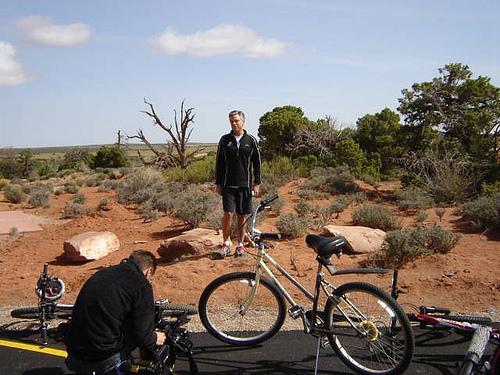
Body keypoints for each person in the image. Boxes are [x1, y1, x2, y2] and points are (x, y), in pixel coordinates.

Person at [65, 250, 166, 374]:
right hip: (101, 358)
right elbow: (143, 338)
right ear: (148, 271)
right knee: (140, 347)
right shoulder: (141, 285)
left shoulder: (101, 274)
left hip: (74, 353)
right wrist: (155, 337)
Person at [215, 110, 262, 257]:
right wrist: (218, 183)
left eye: (236, 121)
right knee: (228, 214)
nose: (234, 123)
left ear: (243, 121)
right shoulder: (225, 140)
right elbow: (219, 163)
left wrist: (257, 183)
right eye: (231, 121)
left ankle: (240, 245)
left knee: (242, 216)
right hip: (228, 184)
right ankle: (226, 243)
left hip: (245, 185)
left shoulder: (251, 140)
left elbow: (257, 163)